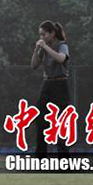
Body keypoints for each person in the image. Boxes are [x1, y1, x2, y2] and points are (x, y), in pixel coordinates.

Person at [30, 20, 70, 158]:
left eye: (44, 34)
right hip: (47, 84)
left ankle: (63, 155)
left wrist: (46, 48)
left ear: (52, 34)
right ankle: (41, 154)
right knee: (40, 118)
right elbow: (34, 65)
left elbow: (60, 58)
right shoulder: (43, 47)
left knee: (61, 120)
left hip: (60, 83)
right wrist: (37, 49)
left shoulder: (61, 45)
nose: (42, 38)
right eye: (40, 35)